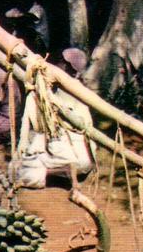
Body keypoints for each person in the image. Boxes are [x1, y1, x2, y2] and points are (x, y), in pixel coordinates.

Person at [12, 47, 97, 189]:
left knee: (21, 170)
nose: (57, 64)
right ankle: (63, 171)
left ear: (68, 66)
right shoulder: (79, 87)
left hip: (69, 152)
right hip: (86, 160)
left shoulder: (61, 89)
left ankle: (52, 172)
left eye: (61, 62)